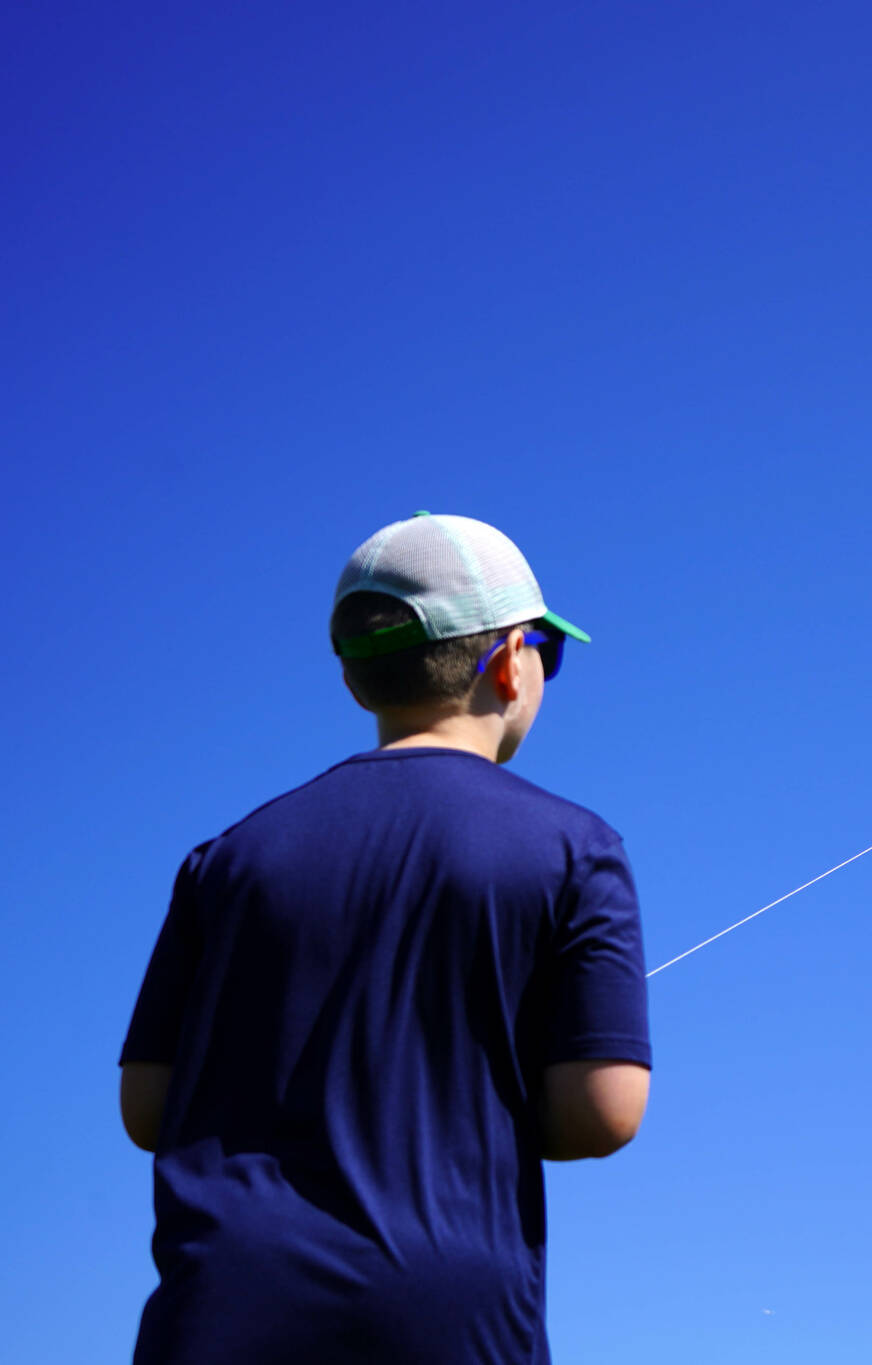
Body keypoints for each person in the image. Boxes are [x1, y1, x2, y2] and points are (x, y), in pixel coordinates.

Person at [119, 512, 653, 1364]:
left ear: (355, 679)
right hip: (445, 1313)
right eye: (548, 652)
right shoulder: (576, 847)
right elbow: (605, 1109)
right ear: (511, 663)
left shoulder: (224, 859)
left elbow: (146, 1106)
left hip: (218, 1305)